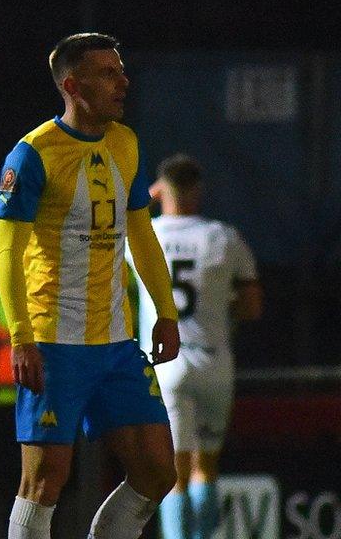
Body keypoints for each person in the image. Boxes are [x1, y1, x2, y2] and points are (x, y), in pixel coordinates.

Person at [0, 33, 181, 539]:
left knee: (157, 472)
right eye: (108, 74)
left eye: (121, 71)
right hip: (54, 343)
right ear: (73, 86)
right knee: (44, 483)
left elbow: (139, 233)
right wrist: (21, 337)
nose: (123, 82)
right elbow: (7, 252)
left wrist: (165, 310)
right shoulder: (32, 154)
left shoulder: (126, 142)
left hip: (116, 343)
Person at [131, 154, 262, 539]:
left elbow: (112, 233)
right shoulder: (223, 236)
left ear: (162, 190)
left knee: (174, 471)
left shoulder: (146, 234)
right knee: (206, 465)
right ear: (198, 191)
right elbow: (252, 306)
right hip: (214, 362)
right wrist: (222, 304)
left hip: (166, 364)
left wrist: (144, 201)